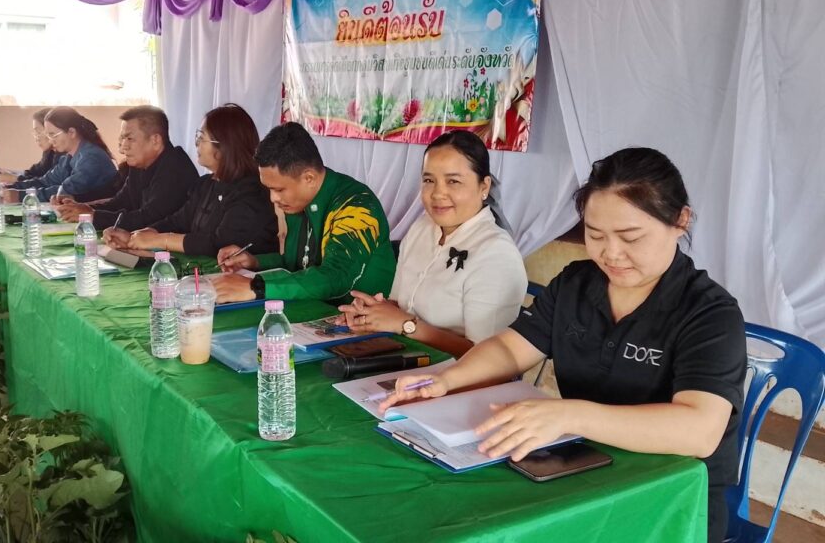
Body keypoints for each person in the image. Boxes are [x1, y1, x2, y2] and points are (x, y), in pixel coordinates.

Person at [380, 148, 746, 543]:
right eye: (595, 235)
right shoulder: (577, 284)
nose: (611, 253)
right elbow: (510, 348)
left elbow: (698, 431)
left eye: (631, 237)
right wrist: (447, 379)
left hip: (669, 499)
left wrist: (569, 416)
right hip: (578, 470)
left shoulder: (709, 313)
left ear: (680, 221)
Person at [337, 131, 527, 356]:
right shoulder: (422, 228)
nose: (438, 193)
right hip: (404, 358)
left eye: (453, 181)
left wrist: (406, 325)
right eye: (429, 180)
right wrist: (371, 315)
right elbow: (399, 305)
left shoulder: (497, 254)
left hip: (455, 372)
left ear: (484, 186)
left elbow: (488, 358)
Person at [214, 122, 396, 303]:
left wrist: (257, 287)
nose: (273, 198)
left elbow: (335, 277)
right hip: (313, 309)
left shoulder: (356, 206)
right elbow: (298, 265)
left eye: (279, 189)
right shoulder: (297, 202)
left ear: (309, 178)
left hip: (357, 315)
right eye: (269, 189)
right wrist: (255, 262)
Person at [116, 104, 278, 257]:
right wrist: (137, 236)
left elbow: (221, 243)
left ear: (224, 145)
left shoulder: (251, 190)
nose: (196, 143)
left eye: (201, 138)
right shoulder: (206, 184)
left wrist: (161, 240)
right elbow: (178, 221)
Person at [56, 105, 199, 231]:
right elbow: (121, 202)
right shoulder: (140, 164)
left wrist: (94, 216)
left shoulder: (175, 168)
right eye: (122, 139)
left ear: (155, 140)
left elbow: (150, 219)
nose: (123, 147)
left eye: (130, 139)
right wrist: (84, 209)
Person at [13, 107, 117, 202]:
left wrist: (20, 196)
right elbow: (45, 181)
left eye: (53, 135)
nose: (51, 141)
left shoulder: (91, 157)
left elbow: (65, 191)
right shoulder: (68, 157)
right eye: (48, 136)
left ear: (71, 132)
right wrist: (13, 188)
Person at [15, 107, 59, 182]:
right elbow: (36, 171)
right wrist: (11, 174)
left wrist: (16, 179)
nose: (36, 138)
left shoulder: (65, 157)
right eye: (35, 133)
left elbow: (48, 182)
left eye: (38, 132)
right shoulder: (50, 152)